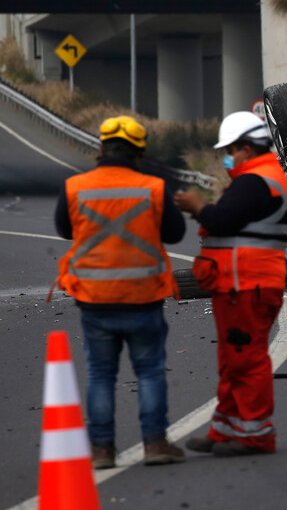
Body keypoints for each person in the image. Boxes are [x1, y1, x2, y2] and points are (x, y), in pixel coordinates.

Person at [53, 115, 186, 468]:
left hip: (95, 301)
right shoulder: (154, 188)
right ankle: (155, 444)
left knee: (100, 374)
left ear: (100, 148)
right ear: (139, 153)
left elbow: (65, 230)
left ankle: (101, 451)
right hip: (144, 298)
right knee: (150, 371)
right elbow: (174, 234)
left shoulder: (75, 187)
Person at [174, 111, 287, 457]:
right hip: (243, 284)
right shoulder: (264, 178)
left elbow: (223, 220)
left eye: (229, 150)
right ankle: (224, 428)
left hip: (248, 286)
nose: (227, 157)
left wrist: (198, 208)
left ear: (245, 148)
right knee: (232, 359)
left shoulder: (255, 180)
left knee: (247, 359)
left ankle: (256, 434)